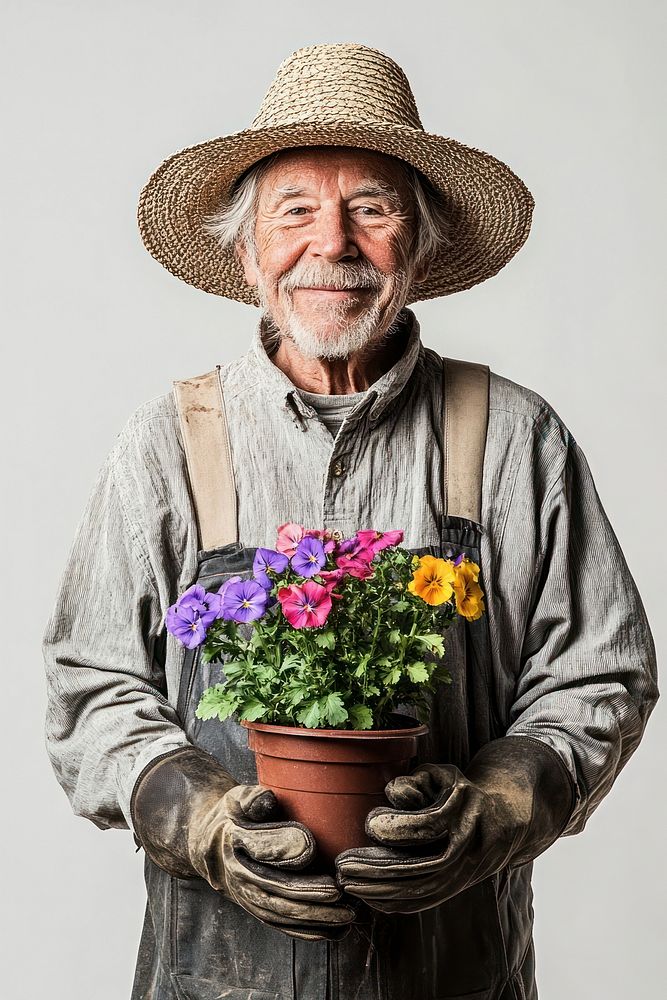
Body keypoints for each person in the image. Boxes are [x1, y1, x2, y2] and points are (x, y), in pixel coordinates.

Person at [42, 43, 658, 1000]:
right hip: (214, 973)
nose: (331, 243)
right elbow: (90, 684)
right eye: (294, 212)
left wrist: (497, 803)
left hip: (452, 971)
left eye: (371, 209)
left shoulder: (510, 438)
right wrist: (199, 818)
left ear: (417, 246)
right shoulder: (172, 442)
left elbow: (600, 672)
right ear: (245, 251)